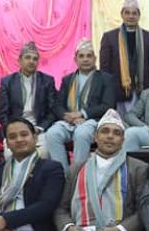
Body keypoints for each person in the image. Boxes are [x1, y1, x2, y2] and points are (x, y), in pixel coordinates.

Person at [44, 39, 117, 169]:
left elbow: (107, 106)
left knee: (81, 133)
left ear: (95, 59)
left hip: (92, 120)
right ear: (75, 59)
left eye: (89, 56)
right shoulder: (67, 79)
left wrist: (82, 114)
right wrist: (67, 116)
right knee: (52, 134)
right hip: (69, 121)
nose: (85, 59)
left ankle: (79, 175)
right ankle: (62, 174)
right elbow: (57, 104)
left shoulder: (105, 79)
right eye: (81, 56)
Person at [0, 41, 57, 156]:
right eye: (27, 57)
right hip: (15, 128)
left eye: (35, 59)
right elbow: (2, 113)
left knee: (42, 154)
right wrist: (12, 128)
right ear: (19, 60)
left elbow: (52, 111)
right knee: (10, 155)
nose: (31, 61)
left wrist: (40, 128)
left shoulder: (47, 81)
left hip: (38, 129)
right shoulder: (8, 82)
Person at [99, 0, 149, 108]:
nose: (131, 16)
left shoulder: (148, 37)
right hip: (118, 92)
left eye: (134, 13)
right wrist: (108, 93)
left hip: (144, 92)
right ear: (122, 14)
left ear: (139, 15)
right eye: (127, 13)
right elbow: (104, 70)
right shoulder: (109, 37)